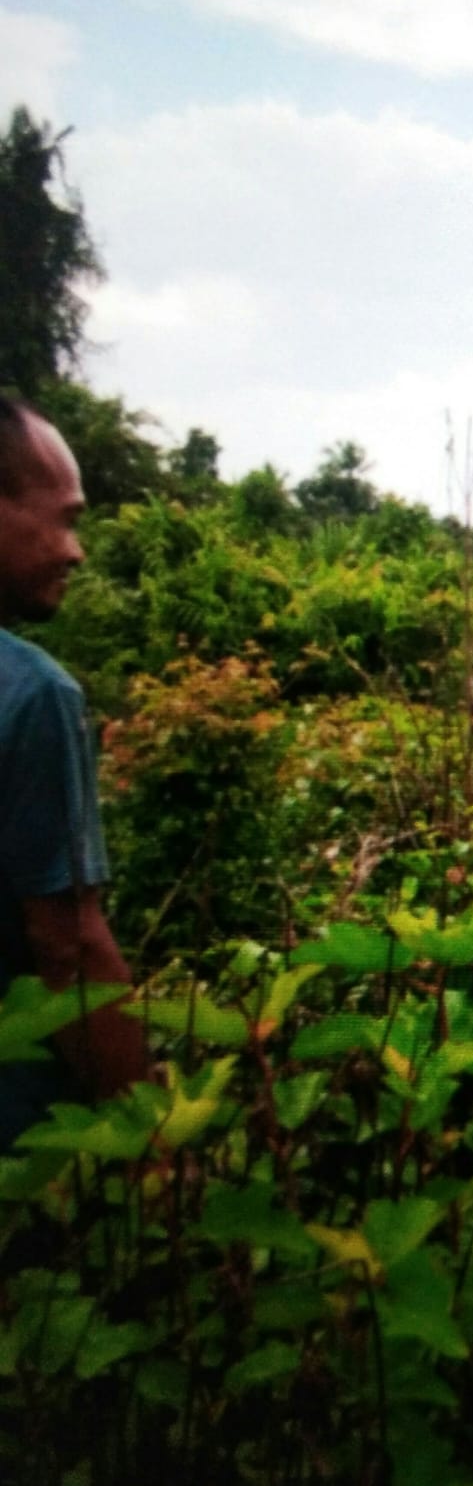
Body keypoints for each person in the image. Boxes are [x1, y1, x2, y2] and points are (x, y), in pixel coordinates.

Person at [0, 394, 147, 1152]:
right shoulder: (32, 694)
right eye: (64, 518)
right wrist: (153, 1141)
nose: (76, 550)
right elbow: (68, 948)